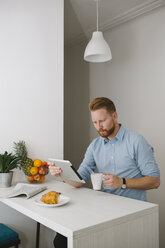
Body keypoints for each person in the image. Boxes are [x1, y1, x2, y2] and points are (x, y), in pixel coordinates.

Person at [49, 97, 160, 248]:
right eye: (95, 122)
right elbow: (79, 180)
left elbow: (154, 181)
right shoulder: (95, 146)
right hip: (104, 208)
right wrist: (61, 174)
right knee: (62, 240)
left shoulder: (136, 141)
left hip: (132, 211)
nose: (99, 127)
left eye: (102, 121)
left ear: (114, 116)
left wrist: (122, 183)